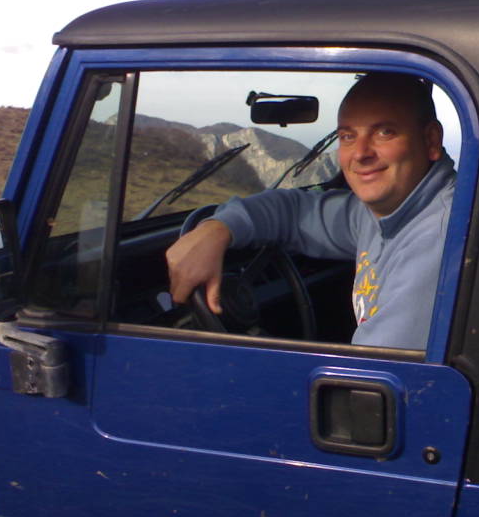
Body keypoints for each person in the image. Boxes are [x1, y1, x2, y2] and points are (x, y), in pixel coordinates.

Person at [166, 73, 456, 350]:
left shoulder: (438, 240)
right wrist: (218, 229)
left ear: (431, 140)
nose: (360, 153)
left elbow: (372, 377)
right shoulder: (385, 211)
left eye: (384, 132)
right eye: (348, 136)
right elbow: (293, 212)